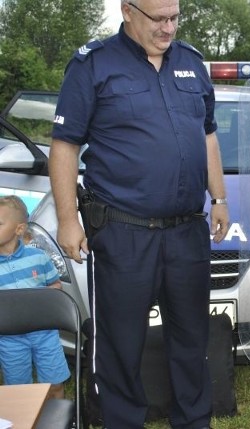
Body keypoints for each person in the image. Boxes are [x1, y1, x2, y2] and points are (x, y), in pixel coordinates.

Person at [49, 1, 229, 427]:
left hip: (186, 231)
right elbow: (64, 147)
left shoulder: (191, 62)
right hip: (123, 232)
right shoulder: (93, 64)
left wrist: (218, 198)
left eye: (174, 17)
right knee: (120, 347)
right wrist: (68, 219)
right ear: (129, 11)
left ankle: (193, 421)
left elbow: (208, 135)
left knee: (191, 340)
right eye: (158, 19)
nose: (168, 28)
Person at [0, 195, 69, 400]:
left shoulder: (38, 258)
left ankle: (59, 419)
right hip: (9, 339)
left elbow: (55, 285)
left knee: (54, 384)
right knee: (19, 391)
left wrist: (41, 300)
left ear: (19, 229)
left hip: (45, 335)